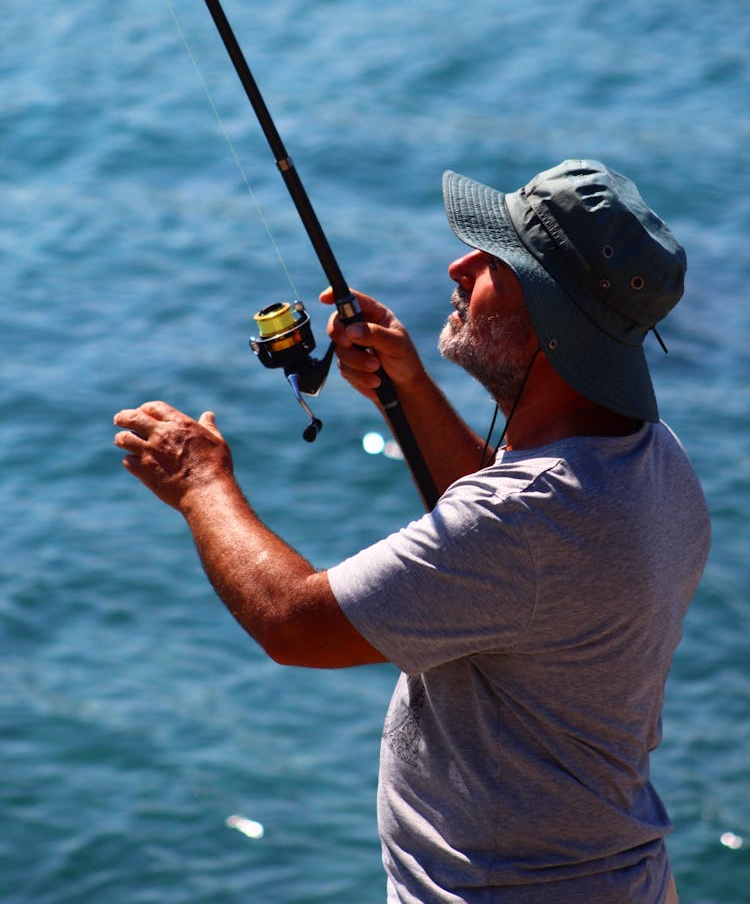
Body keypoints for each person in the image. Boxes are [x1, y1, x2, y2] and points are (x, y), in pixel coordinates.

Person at [114, 159, 710, 903]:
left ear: (550, 317)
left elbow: (296, 625)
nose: (457, 264)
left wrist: (201, 482)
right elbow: (508, 551)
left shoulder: (524, 524)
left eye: (494, 261)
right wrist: (411, 388)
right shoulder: (655, 461)